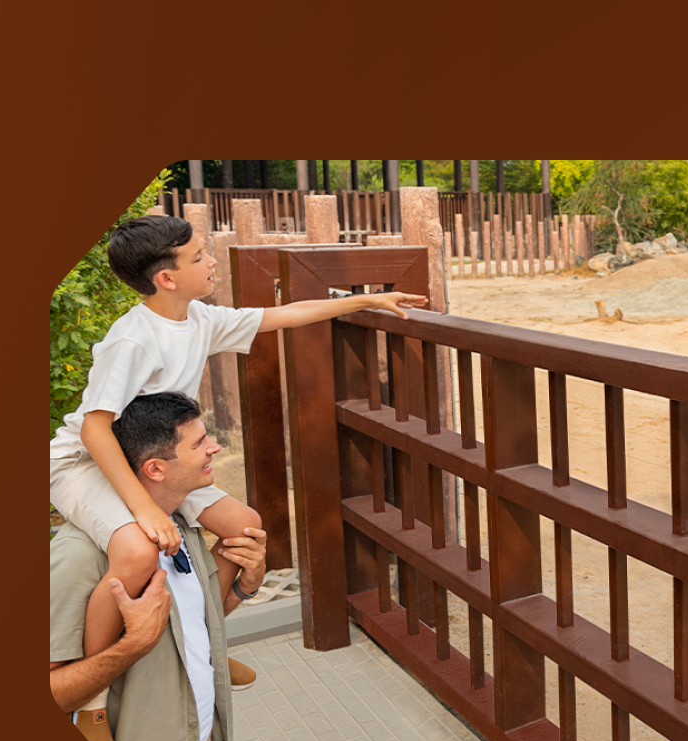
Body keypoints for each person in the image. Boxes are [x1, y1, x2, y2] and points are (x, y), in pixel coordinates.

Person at [48, 215, 425, 666]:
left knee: (244, 524)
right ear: (166, 278)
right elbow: (94, 429)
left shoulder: (198, 318)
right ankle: (94, 693)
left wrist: (366, 301)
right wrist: (145, 509)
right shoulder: (132, 340)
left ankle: (204, 638)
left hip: (156, 460)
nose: (211, 262)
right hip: (86, 462)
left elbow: (281, 316)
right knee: (136, 549)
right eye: (198, 256)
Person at [49, 392, 269, 741]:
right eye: (199, 443)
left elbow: (196, 629)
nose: (215, 449)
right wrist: (133, 646)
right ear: (155, 469)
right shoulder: (80, 555)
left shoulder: (184, 530)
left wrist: (245, 585)